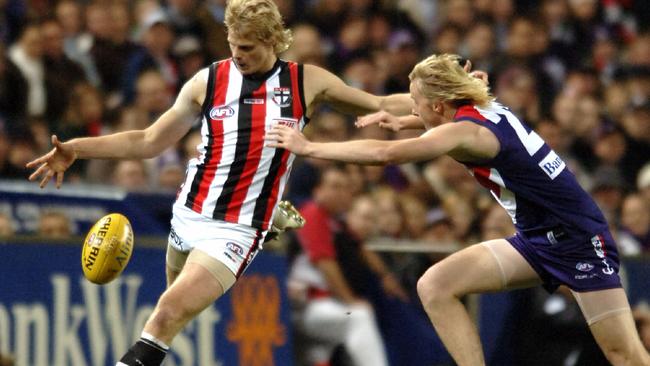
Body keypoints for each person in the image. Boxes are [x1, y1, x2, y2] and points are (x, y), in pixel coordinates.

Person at [25, 1, 413, 365]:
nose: (237, 54)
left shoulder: (305, 82)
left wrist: (447, 101)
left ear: (271, 40)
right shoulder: (208, 80)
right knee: (170, 323)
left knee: (167, 314)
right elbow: (148, 141)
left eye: (246, 46)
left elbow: (378, 104)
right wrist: (77, 148)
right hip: (188, 213)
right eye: (232, 45)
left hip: (236, 231)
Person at [266, 53, 650, 366]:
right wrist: (404, 119)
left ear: (437, 104)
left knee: (626, 356)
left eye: (415, 102)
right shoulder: (480, 103)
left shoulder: (468, 133)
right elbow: (437, 117)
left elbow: (385, 153)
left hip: (579, 241)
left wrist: (310, 148)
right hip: (535, 242)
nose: (411, 108)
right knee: (435, 285)